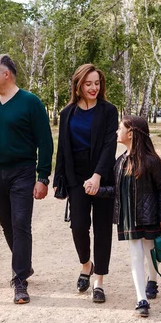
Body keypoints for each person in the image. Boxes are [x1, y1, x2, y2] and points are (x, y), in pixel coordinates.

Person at [0, 54, 53, 304]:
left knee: (20, 223)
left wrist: (43, 176)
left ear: (6, 74)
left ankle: (19, 280)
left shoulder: (30, 103)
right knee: (7, 224)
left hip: (23, 171)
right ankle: (25, 264)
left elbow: (45, 142)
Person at [91, 116, 161, 317]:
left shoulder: (152, 161)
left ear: (131, 133)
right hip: (128, 218)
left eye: (120, 128)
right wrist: (97, 190)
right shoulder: (119, 162)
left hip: (150, 216)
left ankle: (152, 281)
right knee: (136, 255)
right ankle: (141, 298)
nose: (117, 132)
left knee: (151, 252)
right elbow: (116, 191)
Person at [53, 64, 117, 303]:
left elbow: (110, 146)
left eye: (97, 83)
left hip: (102, 175)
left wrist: (98, 176)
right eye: (88, 83)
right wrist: (60, 180)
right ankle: (86, 265)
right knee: (78, 226)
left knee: (102, 229)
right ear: (78, 86)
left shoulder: (109, 111)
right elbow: (62, 149)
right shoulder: (67, 113)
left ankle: (99, 281)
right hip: (75, 177)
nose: (93, 88)